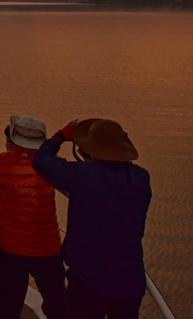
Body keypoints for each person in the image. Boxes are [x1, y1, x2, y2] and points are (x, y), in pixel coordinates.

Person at [33, 119, 152, 319]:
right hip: (129, 280)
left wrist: (61, 136)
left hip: (89, 279)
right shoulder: (141, 178)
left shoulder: (83, 175)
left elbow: (41, 161)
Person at [0, 116, 66, 319]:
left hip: (10, 247)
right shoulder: (53, 164)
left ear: (10, 139)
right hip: (46, 247)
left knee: (10, 305)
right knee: (57, 304)